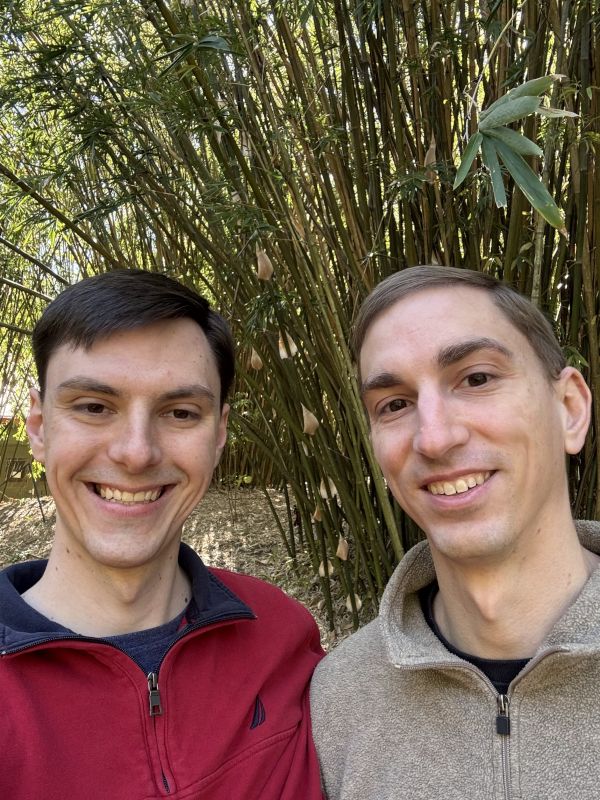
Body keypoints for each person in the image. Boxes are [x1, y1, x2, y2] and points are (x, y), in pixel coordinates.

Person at [0, 270, 324, 800]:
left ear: (218, 436)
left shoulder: (283, 639)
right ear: (38, 427)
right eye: (94, 407)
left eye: (179, 413)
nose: (136, 452)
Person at [311, 265, 600, 800]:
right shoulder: (338, 699)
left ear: (570, 410)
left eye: (476, 378)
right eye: (394, 404)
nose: (435, 438)